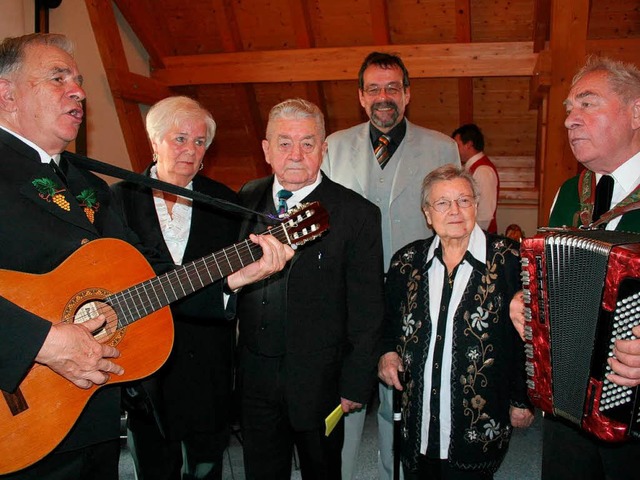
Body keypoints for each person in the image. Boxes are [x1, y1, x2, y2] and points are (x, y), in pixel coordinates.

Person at [0, 34, 291, 480]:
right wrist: (42, 341)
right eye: (58, 78)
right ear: (7, 94)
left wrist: (232, 279)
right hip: (19, 417)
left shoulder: (91, 186)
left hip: (91, 415)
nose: (78, 90)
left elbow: (151, 277)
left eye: (78, 80)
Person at [322, 51, 460, 480]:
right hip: (347, 295)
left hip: (413, 295)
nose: (385, 97)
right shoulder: (333, 147)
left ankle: (391, 473)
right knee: (343, 399)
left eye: (393, 88)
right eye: (375, 89)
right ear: (361, 97)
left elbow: (454, 220)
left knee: (399, 396)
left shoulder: (441, 147)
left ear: (407, 94)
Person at [236, 98, 385, 479]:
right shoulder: (244, 199)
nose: (296, 154)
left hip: (322, 382)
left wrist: (355, 382)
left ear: (324, 148)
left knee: (322, 471)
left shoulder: (357, 214)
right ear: (267, 150)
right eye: (284, 143)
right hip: (255, 380)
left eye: (308, 143)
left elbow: (367, 309)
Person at [510, 56, 640, 480]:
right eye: (568, 108)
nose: (570, 120)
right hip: (567, 410)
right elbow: (551, 284)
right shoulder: (570, 192)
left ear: (636, 111)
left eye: (588, 103)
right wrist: (526, 303)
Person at [110, 96, 246, 479]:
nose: (191, 150)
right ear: (154, 141)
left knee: (206, 468)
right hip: (146, 370)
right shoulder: (119, 199)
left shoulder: (225, 202)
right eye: (180, 138)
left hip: (207, 365)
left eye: (200, 142)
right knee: (154, 468)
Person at [378, 164, 533, 480]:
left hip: (479, 420)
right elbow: (388, 321)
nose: (455, 211)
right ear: (427, 213)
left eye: (464, 201)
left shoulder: (510, 260)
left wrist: (523, 399)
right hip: (416, 416)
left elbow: (528, 338)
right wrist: (387, 352)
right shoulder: (406, 262)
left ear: (476, 206)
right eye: (442, 203)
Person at [452, 124, 499, 233]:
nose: (454, 150)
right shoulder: (471, 169)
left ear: (469, 145)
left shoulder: (483, 170)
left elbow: (485, 214)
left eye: (457, 145)